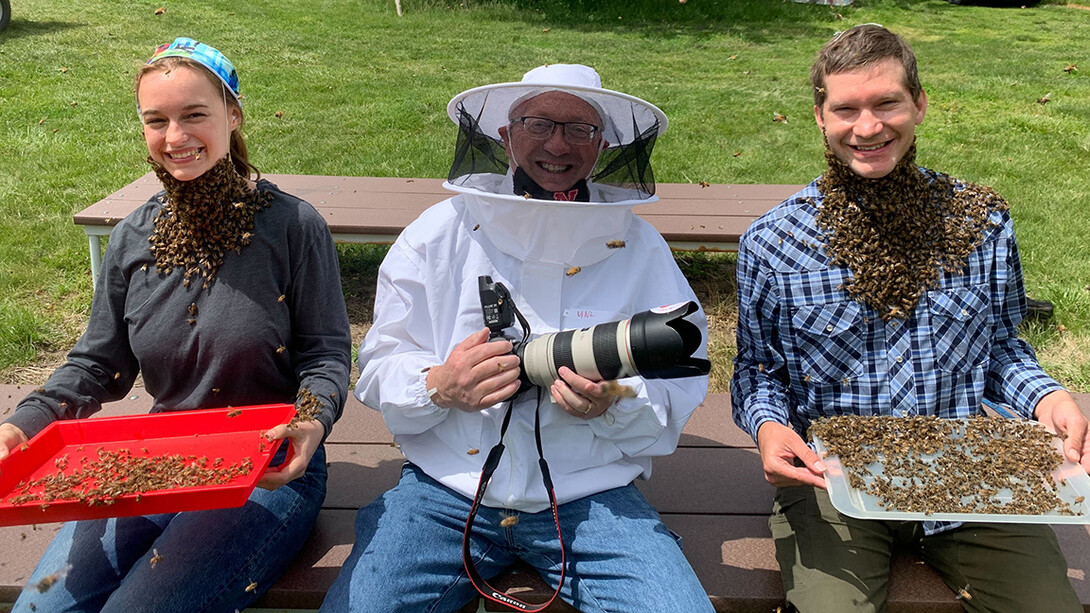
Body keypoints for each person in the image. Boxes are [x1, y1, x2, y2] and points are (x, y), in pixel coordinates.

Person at [320, 64, 714, 613]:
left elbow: (681, 372)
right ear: (505, 136)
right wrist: (439, 385)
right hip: (445, 492)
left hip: (588, 495)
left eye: (581, 129)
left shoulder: (640, 248)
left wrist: (613, 402)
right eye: (538, 123)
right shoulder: (437, 234)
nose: (558, 144)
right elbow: (381, 363)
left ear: (603, 145)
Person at [731, 24, 1088, 612]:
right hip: (833, 479)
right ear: (820, 116)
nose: (867, 128)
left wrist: (1048, 399)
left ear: (918, 105)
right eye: (846, 108)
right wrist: (770, 428)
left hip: (968, 467)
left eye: (886, 103)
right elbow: (757, 370)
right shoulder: (773, 241)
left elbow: (1001, 347)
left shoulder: (983, 223)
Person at [0, 38, 351, 613]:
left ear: (232, 115)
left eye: (194, 115)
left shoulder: (292, 226)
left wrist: (310, 423)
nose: (175, 137)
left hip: (269, 467)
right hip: (163, 453)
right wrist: (24, 424)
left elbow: (328, 354)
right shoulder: (131, 238)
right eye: (155, 120)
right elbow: (96, 363)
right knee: (41, 607)